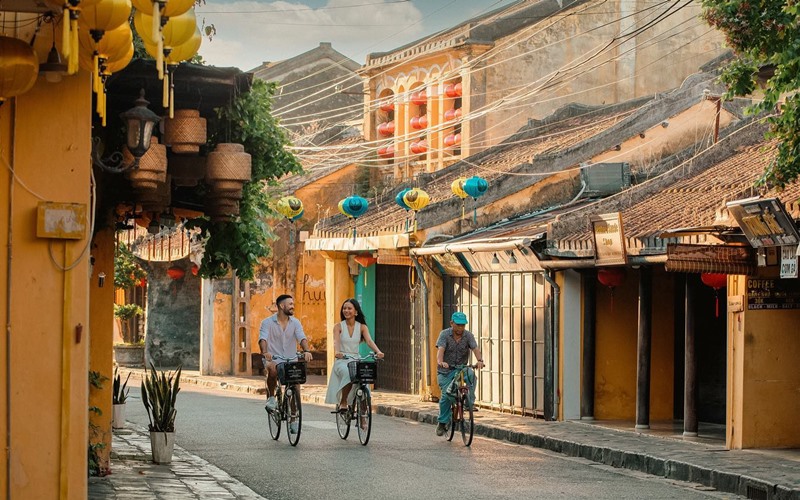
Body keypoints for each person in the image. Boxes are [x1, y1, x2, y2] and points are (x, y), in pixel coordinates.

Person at [258, 294, 312, 434]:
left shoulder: (295, 323)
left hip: (290, 359)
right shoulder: (267, 323)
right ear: (282, 306)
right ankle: (271, 398)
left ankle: (293, 418)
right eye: (290, 304)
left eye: (293, 304)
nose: (293, 306)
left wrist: (306, 350)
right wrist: (265, 353)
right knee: (272, 370)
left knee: (295, 386)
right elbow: (262, 339)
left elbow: (301, 337)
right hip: (273, 358)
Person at [325, 298, 384, 423]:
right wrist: (337, 352)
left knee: (364, 382)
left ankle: (362, 417)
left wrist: (377, 351)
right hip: (343, 359)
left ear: (356, 312)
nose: (346, 310)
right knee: (348, 373)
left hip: (356, 358)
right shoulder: (338, 326)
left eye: (349, 308)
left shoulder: (362, 327)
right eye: (344, 308)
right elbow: (336, 341)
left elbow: (369, 341)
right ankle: (344, 401)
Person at [435, 311, 484, 436]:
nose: (461, 328)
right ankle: (442, 422)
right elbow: (440, 350)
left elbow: (475, 349)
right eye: (458, 325)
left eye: (463, 325)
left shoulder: (468, 336)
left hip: (461, 368)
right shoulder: (444, 335)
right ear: (452, 323)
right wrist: (441, 362)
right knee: (446, 395)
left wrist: (480, 361)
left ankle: (469, 402)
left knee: (471, 374)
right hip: (446, 371)